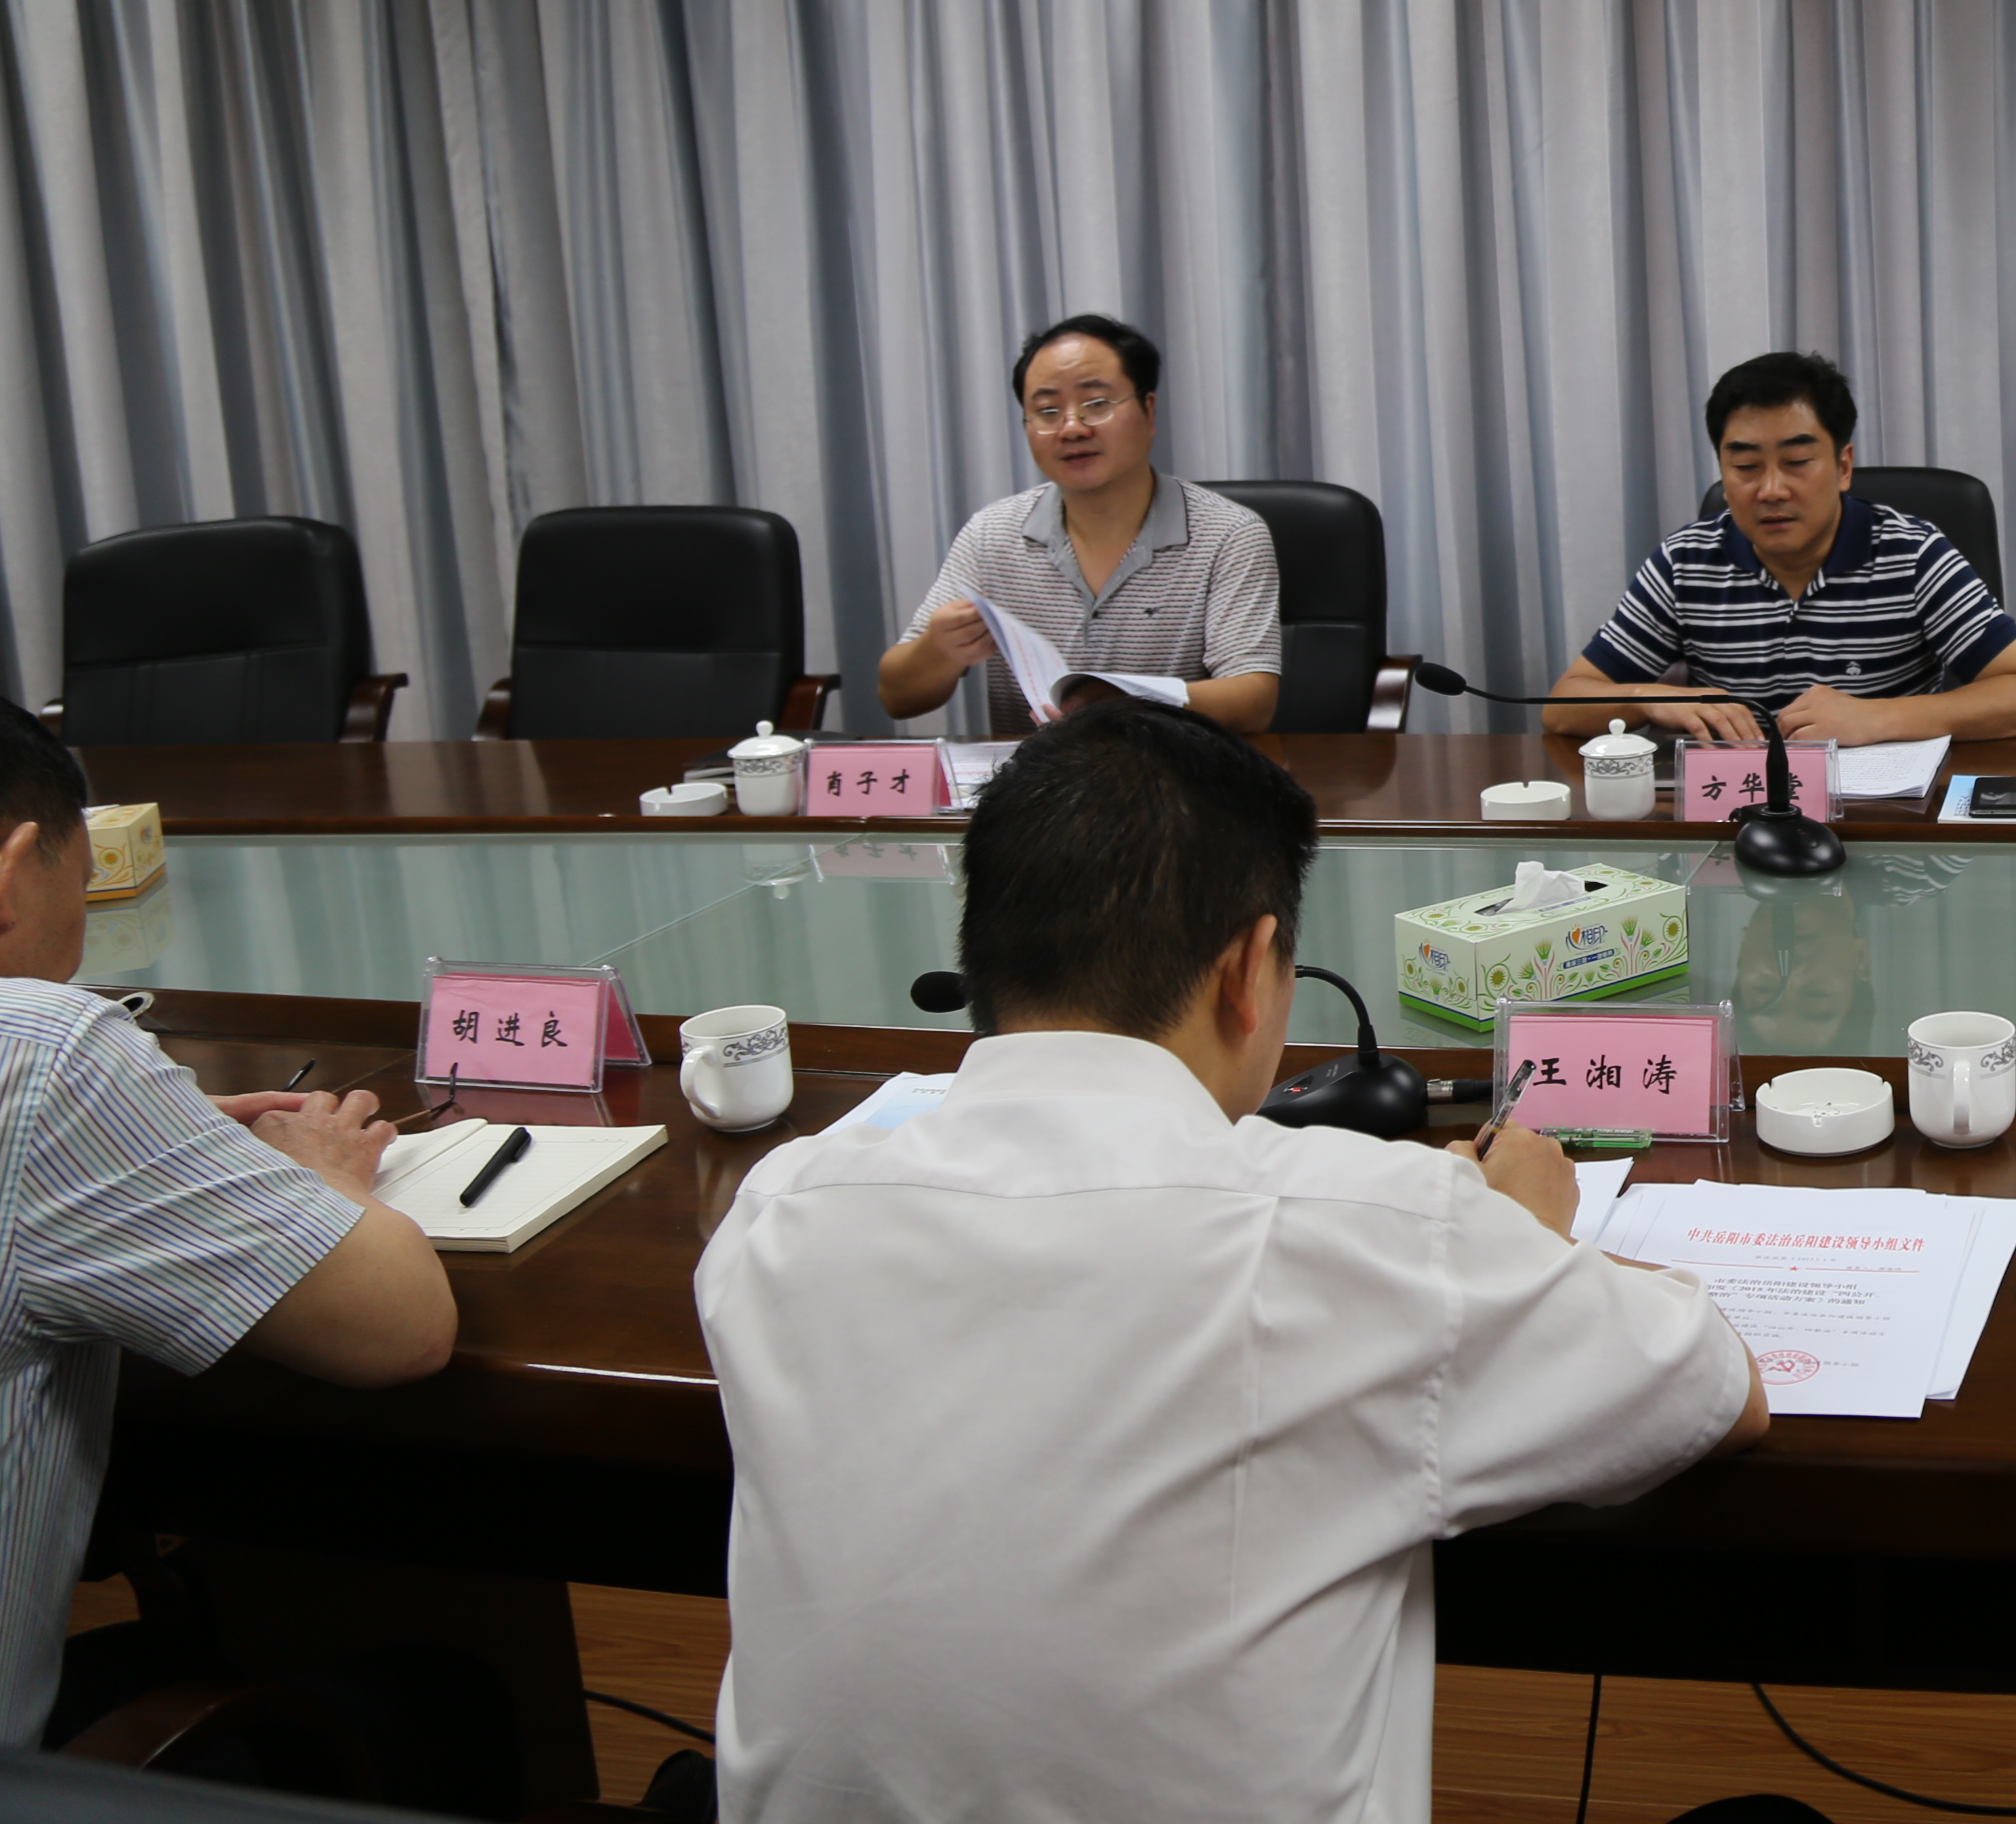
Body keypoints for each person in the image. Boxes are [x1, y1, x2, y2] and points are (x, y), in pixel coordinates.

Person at [698, 701, 1767, 1824]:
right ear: (1249, 969)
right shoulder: (1370, 1223)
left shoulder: (778, 1211)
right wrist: (1523, 1237)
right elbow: (1716, 1391)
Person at [0, 701, 453, 1748]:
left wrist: (148, 1136)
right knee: (435, 1700)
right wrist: (328, 1176)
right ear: (14, 867)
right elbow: (399, 1328)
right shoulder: (41, 1048)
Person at [1541, 351, 2016, 748]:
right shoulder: (1685, 563)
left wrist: (1877, 717)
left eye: (1796, 463)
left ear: (1842, 467)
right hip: (1735, 820)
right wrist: (1649, 698)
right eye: (1746, 467)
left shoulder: (1912, 554)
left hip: (1885, 819)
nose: (1771, 490)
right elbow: (1562, 707)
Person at [879, 314, 1285, 736]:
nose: (1072, 428)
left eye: (1096, 404)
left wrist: (1127, 705)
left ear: (1148, 411)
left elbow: (1254, 701)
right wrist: (939, 650)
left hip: (1169, 768)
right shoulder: (991, 535)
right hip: (1032, 773)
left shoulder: (1228, 534)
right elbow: (897, 698)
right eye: (1047, 411)